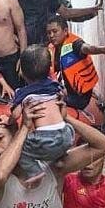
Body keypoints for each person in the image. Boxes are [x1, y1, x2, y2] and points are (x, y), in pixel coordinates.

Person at [9, 45, 74, 182]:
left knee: (19, 148)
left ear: (23, 72)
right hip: (67, 135)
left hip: (44, 138)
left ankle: (35, 172)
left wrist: (8, 122)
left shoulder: (23, 93)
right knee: (61, 131)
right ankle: (60, 158)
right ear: (49, 68)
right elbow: (64, 98)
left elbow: (15, 115)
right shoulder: (55, 86)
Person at [46, 15, 105, 110]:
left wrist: (101, 50)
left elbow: (86, 48)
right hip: (67, 91)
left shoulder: (74, 43)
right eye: (49, 33)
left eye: (55, 31)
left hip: (80, 98)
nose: (51, 35)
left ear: (65, 31)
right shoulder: (52, 48)